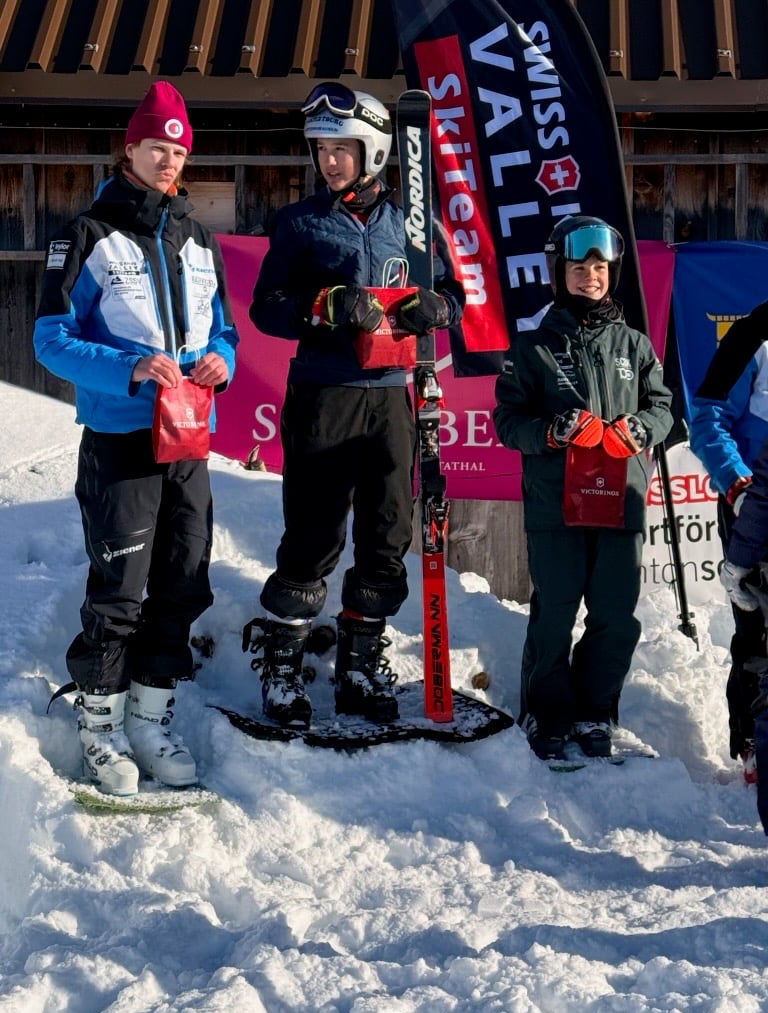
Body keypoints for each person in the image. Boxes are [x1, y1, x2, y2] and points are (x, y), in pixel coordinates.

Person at [33, 82, 239, 796]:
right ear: (130, 149)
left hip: (189, 442)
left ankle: (150, 718)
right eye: (157, 147)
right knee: (119, 589)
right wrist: (129, 368)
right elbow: (51, 340)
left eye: (178, 151)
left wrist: (222, 361)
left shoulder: (198, 239)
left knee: (183, 582)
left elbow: (224, 332)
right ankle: (100, 723)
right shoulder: (87, 235)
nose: (168, 160)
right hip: (121, 441)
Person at [245, 82, 464, 727]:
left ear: (374, 151)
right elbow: (265, 308)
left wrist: (438, 308)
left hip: (393, 397)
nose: (329, 161)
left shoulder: (414, 224)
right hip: (325, 393)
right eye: (321, 150)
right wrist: (323, 305)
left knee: (387, 533)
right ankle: (283, 666)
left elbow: (452, 294)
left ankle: (359, 664)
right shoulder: (300, 222)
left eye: (341, 148)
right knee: (314, 531)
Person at [493, 215, 673, 760]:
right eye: (578, 268)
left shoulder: (635, 345)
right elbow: (508, 423)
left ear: (612, 273)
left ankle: (595, 711)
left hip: (621, 503)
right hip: (557, 505)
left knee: (615, 615)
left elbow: (663, 408)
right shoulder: (533, 348)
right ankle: (547, 713)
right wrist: (552, 431)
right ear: (559, 273)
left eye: (599, 268)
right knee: (555, 610)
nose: (590, 277)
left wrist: (641, 428)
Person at [690, 301, 768, 784]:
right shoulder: (752, 337)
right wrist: (738, 487)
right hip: (756, 508)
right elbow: (707, 419)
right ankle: (755, 739)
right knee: (758, 630)